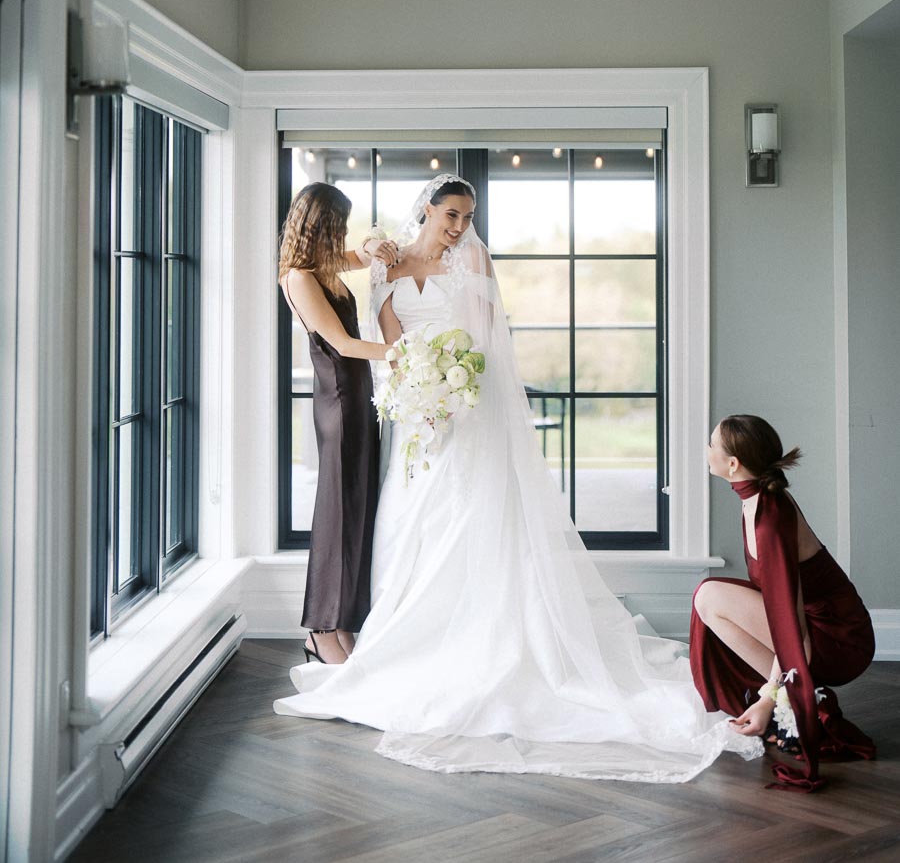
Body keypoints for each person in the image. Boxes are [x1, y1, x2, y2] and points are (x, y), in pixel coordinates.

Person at [274, 174, 762, 784]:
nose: (458, 226)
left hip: (465, 405)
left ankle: (474, 643)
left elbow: (485, 342)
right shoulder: (372, 270)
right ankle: (378, 638)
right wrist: (415, 385)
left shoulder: (467, 258)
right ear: (427, 209)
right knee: (399, 522)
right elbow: (380, 337)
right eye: (450, 214)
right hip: (413, 412)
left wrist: (453, 383)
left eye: (466, 216)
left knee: (465, 520)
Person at [691, 416, 876, 791]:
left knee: (710, 595)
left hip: (837, 638)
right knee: (709, 599)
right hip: (813, 626)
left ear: (733, 464)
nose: (705, 449)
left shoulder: (768, 520)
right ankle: (797, 696)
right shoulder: (756, 498)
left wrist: (766, 698)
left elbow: (793, 627)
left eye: (712, 443)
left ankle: (789, 698)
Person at [278, 182, 399, 666]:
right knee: (336, 517)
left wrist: (372, 245)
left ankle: (344, 623)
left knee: (356, 511)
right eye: (337, 225)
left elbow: (363, 256)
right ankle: (321, 629)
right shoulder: (299, 278)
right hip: (340, 401)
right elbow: (343, 344)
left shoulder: (321, 266)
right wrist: (406, 354)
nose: (342, 234)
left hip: (357, 396)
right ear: (318, 225)